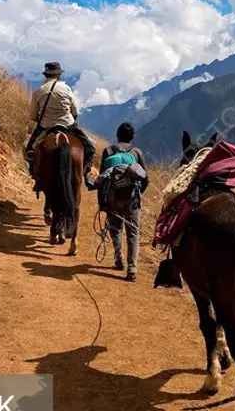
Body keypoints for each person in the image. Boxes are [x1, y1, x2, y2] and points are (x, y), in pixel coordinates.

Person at [25, 62, 96, 188]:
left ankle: (36, 175)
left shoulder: (38, 92)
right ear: (58, 75)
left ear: (46, 75)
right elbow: (74, 111)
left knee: (30, 150)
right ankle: (87, 174)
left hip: (45, 126)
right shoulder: (66, 89)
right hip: (68, 124)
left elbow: (32, 116)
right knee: (89, 147)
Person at [99, 122, 147, 282]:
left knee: (116, 228)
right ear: (132, 137)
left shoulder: (108, 151)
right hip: (133, 198)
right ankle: (132, 269)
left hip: (113, 198)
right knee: (133, 232)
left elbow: (102, 178)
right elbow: (146, 178)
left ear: (117, 135)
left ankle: (118, 260)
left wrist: (102, 202)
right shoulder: (137, 152)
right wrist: (139, 194)